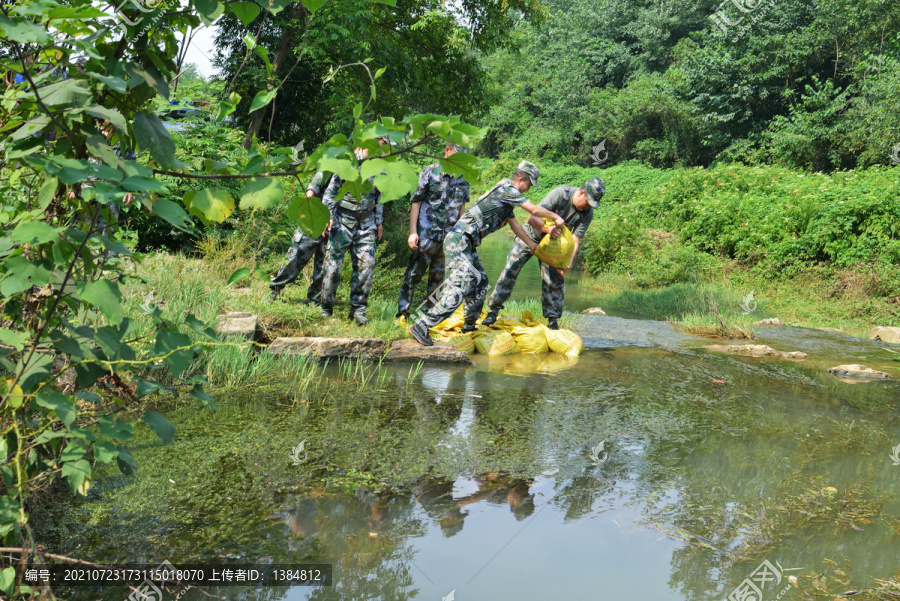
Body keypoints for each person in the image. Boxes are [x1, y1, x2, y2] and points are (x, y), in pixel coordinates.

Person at [406, 160, 565, 346]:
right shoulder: (507, 189)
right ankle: (422, 325)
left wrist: (532, 246)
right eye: (528, 185)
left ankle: (469, 326)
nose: (528, 189)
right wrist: (556, 218)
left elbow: (516, 226)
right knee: (460, 287)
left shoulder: (506, 199)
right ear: (521, 179)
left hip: (467, 243)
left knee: (480, 283)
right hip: (459, 240)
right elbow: (534, 210)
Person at [484, 177, 606, 330]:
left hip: (553, 248)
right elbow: (532, 218)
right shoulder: (561, 194)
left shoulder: (587, 213)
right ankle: (493, 311)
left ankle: (552, 321)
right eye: (588, 202)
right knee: (510, 270)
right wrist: (548, 229)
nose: (588, 207)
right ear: (581, 193)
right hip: (530, 237)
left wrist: (568, 262)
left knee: (555, 281)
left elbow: (575, 240)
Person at [396, 142, 470, 320]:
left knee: (438, 280)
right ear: (447, 150)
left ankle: (430, 319)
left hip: (447, 237)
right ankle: (402, 314)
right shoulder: (429, 172)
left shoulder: (463, 178)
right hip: (426, 235)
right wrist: (412, 232)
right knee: (413, 274)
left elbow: (462, 208)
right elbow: (416, 202)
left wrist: (459, 235)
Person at [319, 139, 389, 325]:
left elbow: (380, 197)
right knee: (332, 266)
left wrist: (379, 222)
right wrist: (328, 215)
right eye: (379, 144)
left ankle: (358, 310)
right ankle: (325, 308)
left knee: (367, 266)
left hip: (366, 223)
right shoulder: (348, 162)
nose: (381, 149)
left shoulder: (380, 167)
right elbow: (330, 192)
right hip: (343, 220)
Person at [268, 171, 332, 304]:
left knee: (325, 264)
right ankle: (275, 290)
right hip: (313, 221)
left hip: (333, 225)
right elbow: (310, 193)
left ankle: (315, 299)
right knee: (295, 259)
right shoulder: (327, 172)